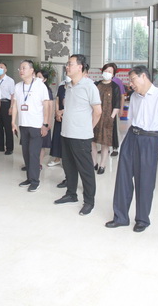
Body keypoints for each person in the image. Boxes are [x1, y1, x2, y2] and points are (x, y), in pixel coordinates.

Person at [105, 65, 158, 232]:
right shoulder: (134, 96)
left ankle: (142, 219)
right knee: (123, 177)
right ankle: (120, 217)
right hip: (132, 136)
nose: (131, 84)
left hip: (150, 139)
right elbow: (131, 119)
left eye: (133, 80)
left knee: (145, 181)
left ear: (143, 76)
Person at [54, 54, 102, 216]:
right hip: (66, 133)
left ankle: (89, 201)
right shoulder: (68, 86)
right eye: (67, 64)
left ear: (80, 67)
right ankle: (71, 194)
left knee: (86, 170)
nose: (67, 67)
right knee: (69, 166)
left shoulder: (89, 86)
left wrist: (88, 129)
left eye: (70, 64)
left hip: (81, 136)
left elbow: (98, 111)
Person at [11, 62, 50, 192]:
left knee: (33, 154)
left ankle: (35, 181)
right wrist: (13, 122)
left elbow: (46, 106)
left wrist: (45, 124)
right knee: (26, 153)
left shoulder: (40, 85)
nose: (21, 70)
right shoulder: (18, 86)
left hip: (36, 125)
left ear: (32, 70)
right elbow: (15, 105)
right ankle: (29, 177)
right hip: (23, 124)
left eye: (24, 68)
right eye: (20, 68)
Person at [92, 63, 121, 175]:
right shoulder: (96, 84)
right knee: (92, 141)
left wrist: (111, 118)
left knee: (105, 143)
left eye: (110, 71)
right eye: (106, 70)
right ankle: (94, 162)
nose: (107, 73)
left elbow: (117, 105)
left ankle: (102, 164)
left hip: (107, 118)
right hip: (95, 116)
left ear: (113, 74)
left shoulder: (115, 87)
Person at [0, 62, 15, 155]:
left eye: (2, 67)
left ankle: (9, 148)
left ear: (5, 70)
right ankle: (0, 146)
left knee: (7, 127)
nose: (0, 69)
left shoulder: (10, 81)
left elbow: (13, 95)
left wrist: (11, 107)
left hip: (6, 104)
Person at [50, 77, 68, 186]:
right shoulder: (61, 87)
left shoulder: (75, 88)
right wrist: (57, 112)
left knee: (66, 140)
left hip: (69, 117)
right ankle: (57, 158)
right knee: (57, 136)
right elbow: (57, 100)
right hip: (59, 116)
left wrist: (63, 112)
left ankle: (65, 160)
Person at [36, 70, 54, 168]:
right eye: (36, 76)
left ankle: (39, 164)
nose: (37, 79)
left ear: (45, 79)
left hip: (44, 120)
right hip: (34, 120)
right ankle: (31, 164)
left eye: (40, 77)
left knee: (42, 144)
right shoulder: (33, 88)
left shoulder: (47, 90)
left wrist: (48, 122)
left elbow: (50, 107)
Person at [111, 65, 126, 156]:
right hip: (105, 109)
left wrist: (121, 108)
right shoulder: (101, 82)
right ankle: (104, 147)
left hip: (115, 108)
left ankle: (115, 148)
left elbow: (122, 96)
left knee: (115, 128)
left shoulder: (117, 81)